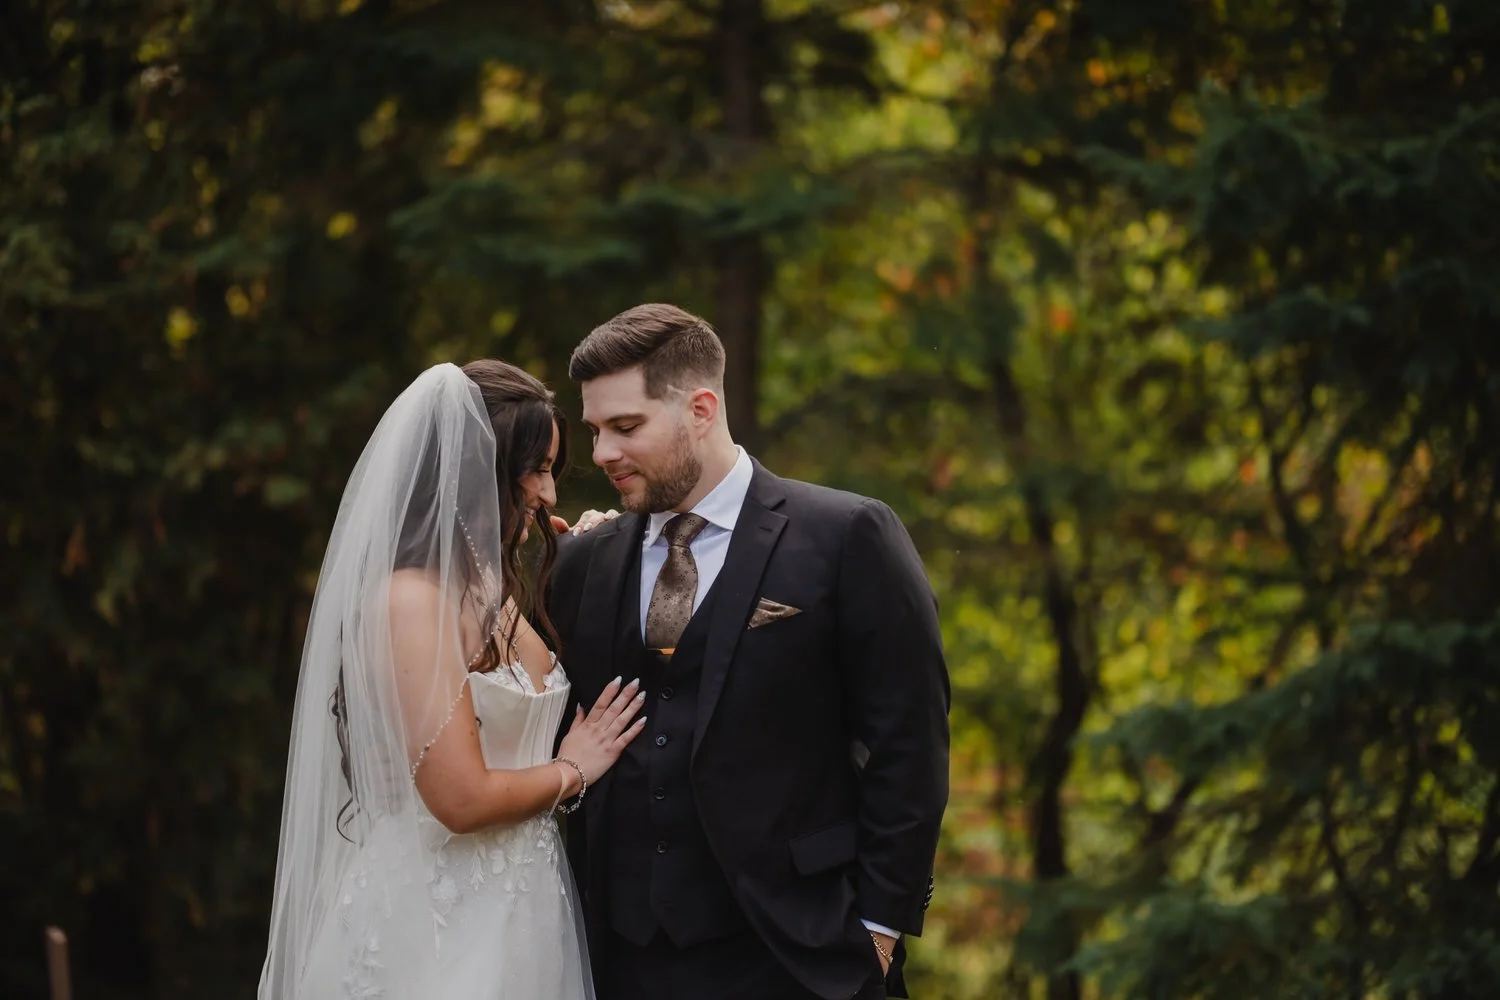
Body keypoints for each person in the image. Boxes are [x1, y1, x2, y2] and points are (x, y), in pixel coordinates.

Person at [547, 304, 951, 1000]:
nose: (600, 454)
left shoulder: (846, 535)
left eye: (625, 427)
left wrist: (880, 927)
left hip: (800, 950)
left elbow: (910, 745)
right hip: (623, 958)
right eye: (593, 431)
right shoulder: (584, 561)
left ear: (701, 409)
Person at [258, 360, 646, 999]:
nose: (550, 493)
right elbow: (460, 800)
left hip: (520, 904)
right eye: (538, 469)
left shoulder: (492, 588)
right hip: (439, 919)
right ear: (484, 472)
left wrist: (590, 557)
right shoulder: (413, 601)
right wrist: (572, 770)